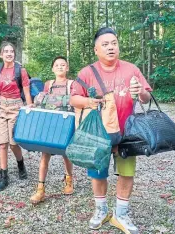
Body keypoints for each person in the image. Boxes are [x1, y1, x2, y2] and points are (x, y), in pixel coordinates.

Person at [70, 27, 152, 234]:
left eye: (113, 43)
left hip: (127, 132)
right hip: (98, 135)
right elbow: (73, 99)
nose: (110, 47)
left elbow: (146, 98)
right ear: (96, 49)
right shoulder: (87, 72)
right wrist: (90, 101)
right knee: (98, 173)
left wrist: (140, 91)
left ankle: (121, 214)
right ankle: (101, 210)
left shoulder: (131, 69)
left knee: (126, 173)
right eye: (105, 44)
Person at [0, 41, 32, 191]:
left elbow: (26, 90)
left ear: (14, 54)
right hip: (0, 107)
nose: (9, 53)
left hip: (16, 106)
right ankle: (3, 176)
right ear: (1, 54)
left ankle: (20, 163)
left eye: (11, 51)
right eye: (6, 51)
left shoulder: (21, 70)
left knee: (13, 143)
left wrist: (29, 108)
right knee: (2, 143)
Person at [30, 56, 74, 204]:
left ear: (67, 68)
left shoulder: (71, 84)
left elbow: (74, 101)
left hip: (65, 124)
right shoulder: (48, 84)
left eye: (63, 65)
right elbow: (43, 102)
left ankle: (69, 181)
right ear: (53, 68)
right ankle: (40, 189)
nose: (60, 67)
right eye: (57, 65)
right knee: (45, 155)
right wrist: (33, 106)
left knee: (66, 155)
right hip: (49, 124)